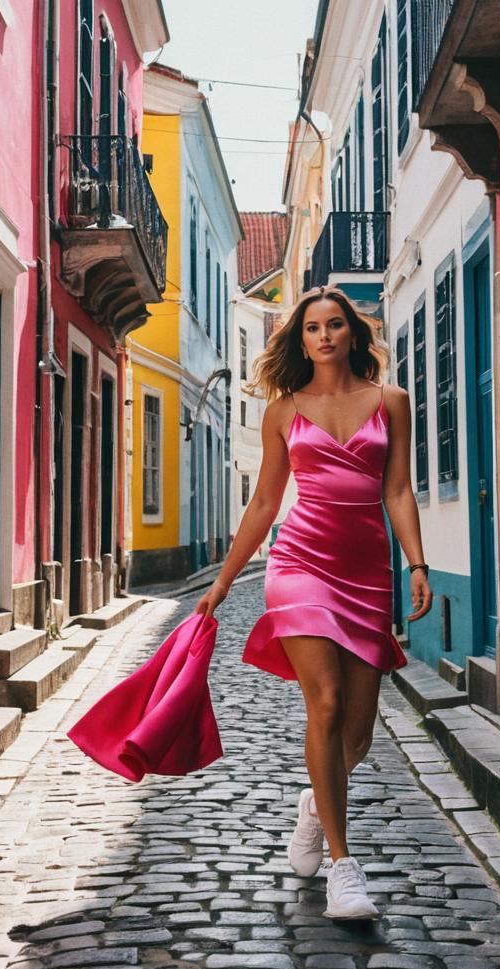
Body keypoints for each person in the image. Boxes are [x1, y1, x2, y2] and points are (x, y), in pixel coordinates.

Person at [195, 286, 432, 921]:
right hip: (300, 564)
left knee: (356, 734)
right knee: (323, 704)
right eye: (311, 329)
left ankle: (313, 805)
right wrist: (222, 583)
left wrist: (415, 562)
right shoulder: (283, 410)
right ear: (300, 341)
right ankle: (342, 866)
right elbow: (266, 504)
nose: (324, 336)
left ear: (353, 333)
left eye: (334, 325)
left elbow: (399, 490)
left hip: (366, 574)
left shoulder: (391, 403)